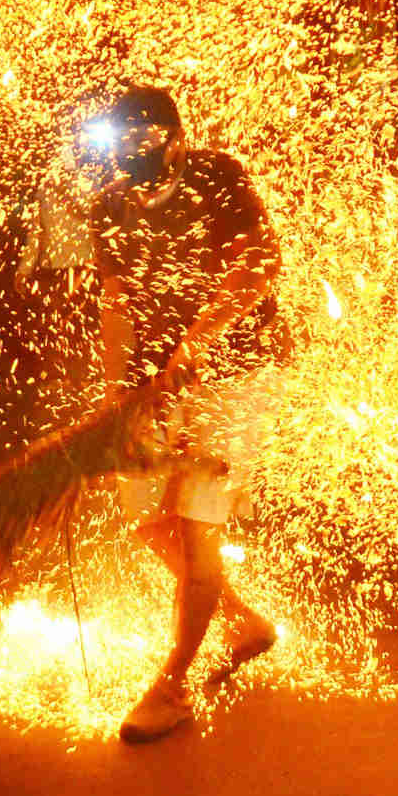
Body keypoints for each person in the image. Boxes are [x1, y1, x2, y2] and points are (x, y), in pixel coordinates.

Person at [83, 85, 283, 744]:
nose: (126, 157)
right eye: (117, 145)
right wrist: (117, 397)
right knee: (141, 512)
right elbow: (116, 301)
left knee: (198, 519)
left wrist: (199, 339)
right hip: (155, 381)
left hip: (237, 368)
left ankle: (173, 684)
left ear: (172, 138)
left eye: (140, 141)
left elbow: (259, 262)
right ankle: (239, 619)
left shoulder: (216, 177)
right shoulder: (107, 204)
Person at [13, 136, 98, 420]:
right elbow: (35, 233)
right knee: (52, 326)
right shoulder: (43, 190)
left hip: (82, 268)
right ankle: (56, 386)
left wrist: (71, 193)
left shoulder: (86, 186)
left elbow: (94, 217)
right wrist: (24, 269)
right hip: (53, 271)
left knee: (81, 326)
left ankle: (85, 383)